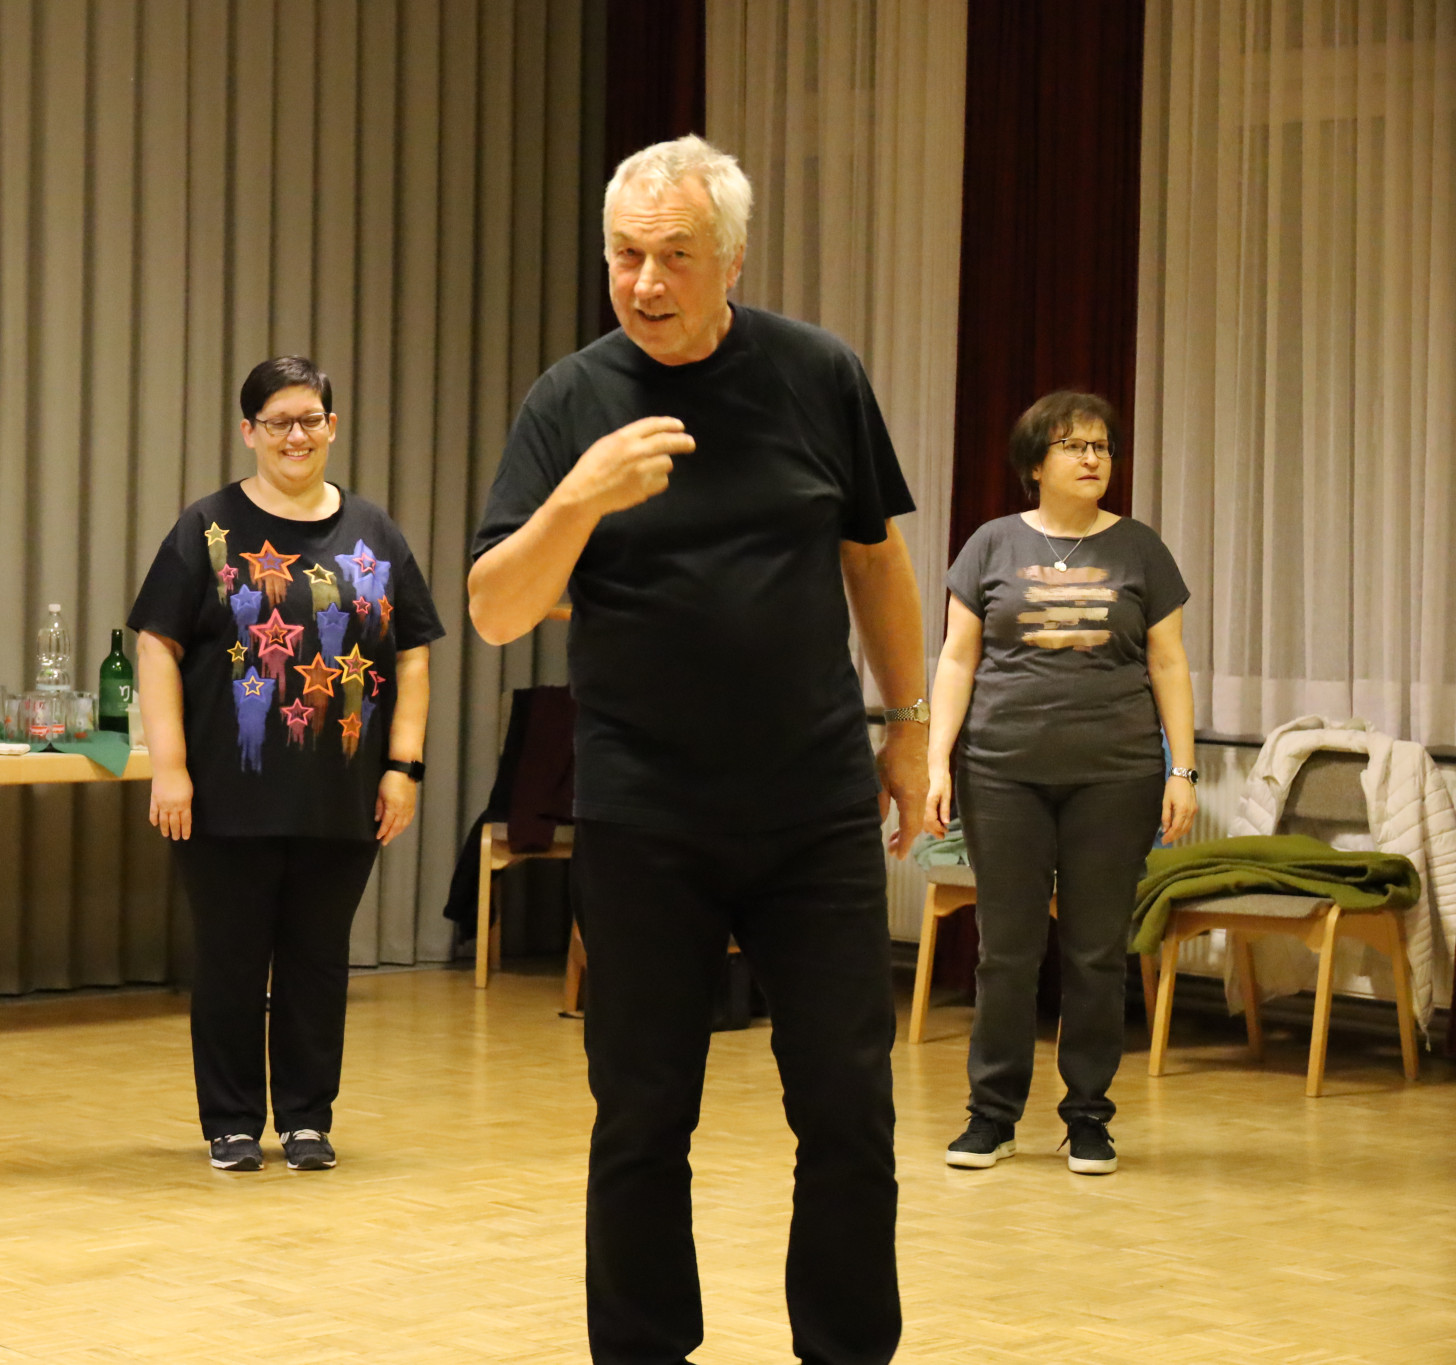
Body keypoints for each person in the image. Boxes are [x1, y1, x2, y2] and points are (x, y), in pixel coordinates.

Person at [469, 135, 926, 1365]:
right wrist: (578, 498)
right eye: (624, 255)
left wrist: (908, 728)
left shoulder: (816, 373)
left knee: (846, 1110)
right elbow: (495, 610)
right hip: (643, 816)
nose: (645, 282)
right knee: (640, 1116)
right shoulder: (567, 402)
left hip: (812, 807)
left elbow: (874, 559)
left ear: (731, 258)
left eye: (673, 255)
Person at [129, 356, 444, 1174]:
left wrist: (403, 767)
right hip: (224, 795)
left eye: (309, 419)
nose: (295, 436)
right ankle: (231, 1121)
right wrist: (169, 765)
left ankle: (307, 1118)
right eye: (278, 422)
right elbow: (156, 644)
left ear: (332, 426)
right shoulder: (207, 526)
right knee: (231, 961)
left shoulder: (374, 530)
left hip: (342, 793)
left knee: (317, 960)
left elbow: (412, 652)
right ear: (249, 432)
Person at [923, 390, 1196, 1176]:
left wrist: (1181, 767)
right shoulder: (990, 544)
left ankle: (1087, 1117)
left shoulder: (1141, 548)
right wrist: (937, 760)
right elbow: (957, 659)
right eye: (1074, 445)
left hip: (1116, 776)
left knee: (1096, 952)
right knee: (1006, 952)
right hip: (1001, 772)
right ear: (1034, 463)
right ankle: (992, 1114)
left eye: (1101, 446)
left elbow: (1168, 662)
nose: (1092, 458)